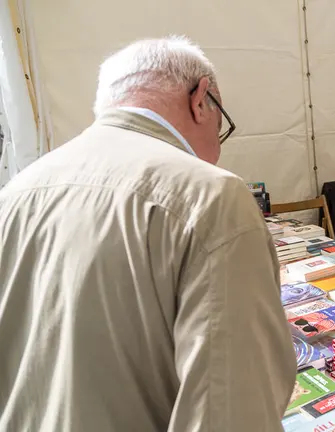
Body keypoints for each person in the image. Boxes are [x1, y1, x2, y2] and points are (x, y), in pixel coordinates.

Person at [0, 37, 296, 431]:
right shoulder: (211, 194)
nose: (216, 151)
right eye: (221, 128)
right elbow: (232, 410)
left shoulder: (18, 190)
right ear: (200, 99)